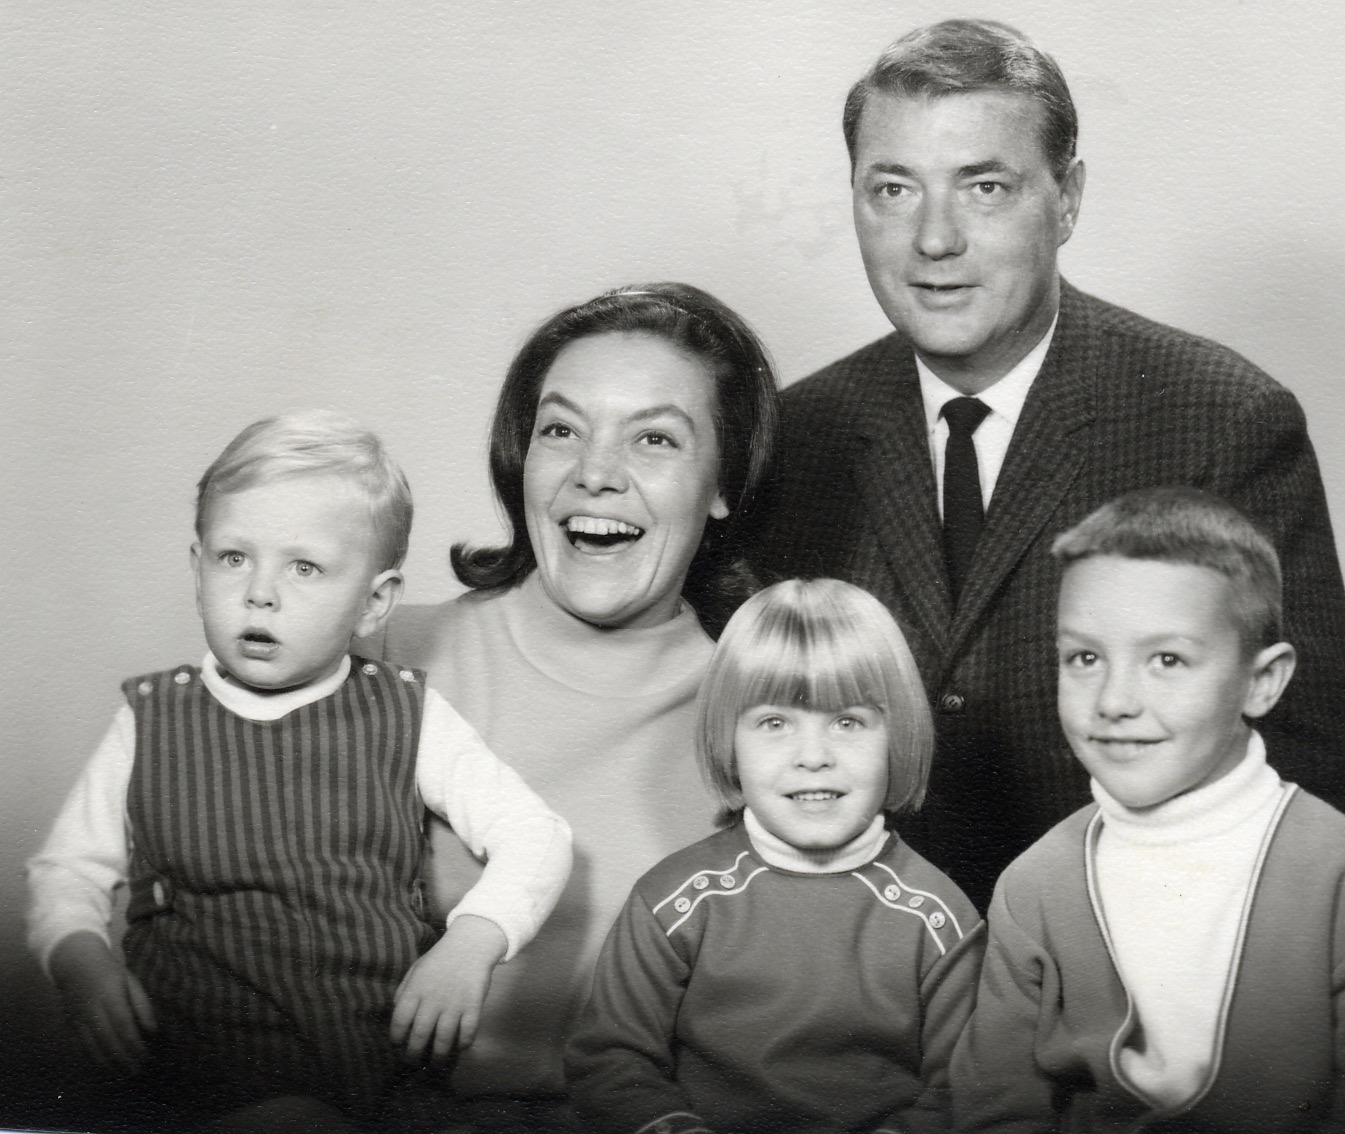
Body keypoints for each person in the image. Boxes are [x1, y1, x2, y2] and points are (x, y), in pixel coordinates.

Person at [751, 17, 1345, 911]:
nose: (934, 239)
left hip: (1130, 985)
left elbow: (1306, 790)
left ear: (1067, 199)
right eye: (892, 189)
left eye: (985, 187)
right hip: (858, 994)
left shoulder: (1222, 421)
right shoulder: (794, 436)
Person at [25, 410, 573, 1131]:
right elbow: (67, 870)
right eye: (232, 558)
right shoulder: (155, 717)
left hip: (373, 1067)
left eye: (304, 567)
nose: (260, 592)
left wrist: (472, 941)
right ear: (197, 568)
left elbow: (536, 833)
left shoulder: (405, 714)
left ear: (374, 602)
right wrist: (81, 961)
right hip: (194, 1070)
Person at [368, 283, 779, 1125]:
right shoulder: (381, 660)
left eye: (655, 439)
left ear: (722, 485)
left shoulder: (765, 718)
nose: (596, 473)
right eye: (561, 430)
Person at [950, 487, 1345, 1132]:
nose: (1115, 700)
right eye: (1085, 658)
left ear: (1261, 681)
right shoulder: (1036, 886)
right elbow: (995, 1110)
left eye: (1167, 659)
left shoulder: (1341, 876)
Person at [566, 578, 984, 1134]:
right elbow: (611, 1059)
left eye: (847, 721)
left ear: (897, 737)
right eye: (775, 723)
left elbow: (966, 1086)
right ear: (729, 741)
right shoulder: (673, 901)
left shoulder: (939, 919)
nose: (813, 757)